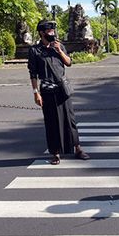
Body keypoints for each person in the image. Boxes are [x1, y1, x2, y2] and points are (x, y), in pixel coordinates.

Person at [28, 19, 90, 165]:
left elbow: (68, 63)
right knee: (52, 122)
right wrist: (36, 92)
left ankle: (78, 148)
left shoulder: (59, 46)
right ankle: (55, 153)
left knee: (70, 120)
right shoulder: (35, 51)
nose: (52, 33)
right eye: (49, 31)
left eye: (53, 31)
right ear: (42, 33)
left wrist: (59, 50)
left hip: (63, 89)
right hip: (47, 91)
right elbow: (33, 73)